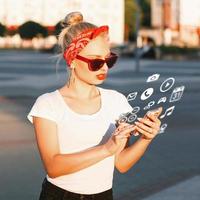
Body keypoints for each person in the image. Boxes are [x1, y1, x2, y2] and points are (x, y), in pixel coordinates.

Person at [27, 11, 162, 200]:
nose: (105, 67)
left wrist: (147, 138)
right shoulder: (48, 104)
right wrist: (107, 148)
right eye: (96, 62)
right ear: (72, 61)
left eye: (109, 59)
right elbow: (54, 167)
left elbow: (122, 164)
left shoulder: (117, 101)